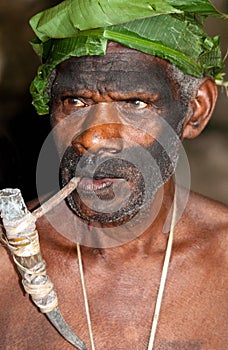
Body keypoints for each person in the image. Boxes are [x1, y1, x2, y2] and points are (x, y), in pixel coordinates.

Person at [0, 1, 227, 349]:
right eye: (75, 101)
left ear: (196, 110)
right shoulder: (6, 267)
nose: (92, 137)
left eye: (135, 103)